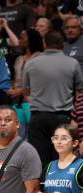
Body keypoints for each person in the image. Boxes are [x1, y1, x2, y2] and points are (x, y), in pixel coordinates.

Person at [24, 31, 83, 168]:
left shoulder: (31, 64)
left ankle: (43, 188)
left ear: (45, 44)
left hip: (38, 117)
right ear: (62, 44)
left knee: (39, 162)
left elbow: (26, 93)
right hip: (63, 117)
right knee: (63, 160)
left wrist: (37, 102)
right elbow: (80, 92)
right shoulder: (73, 63)